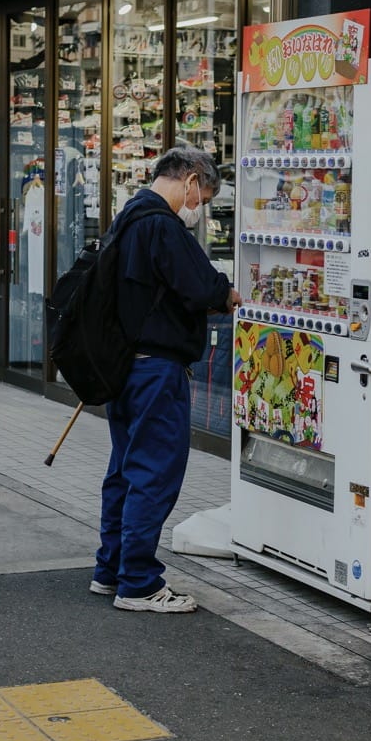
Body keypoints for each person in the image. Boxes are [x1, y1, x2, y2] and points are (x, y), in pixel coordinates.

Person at [90, 146, 241, 613]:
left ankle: (110, 569)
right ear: (190, 179)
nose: (201, 207)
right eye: (205, 196)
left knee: (125, 471)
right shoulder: (162, 225)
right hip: (157, 371)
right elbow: (202, 287)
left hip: (125, 368)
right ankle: (137, 583)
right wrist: (229, 293)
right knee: (154, 473)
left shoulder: (128, 217)